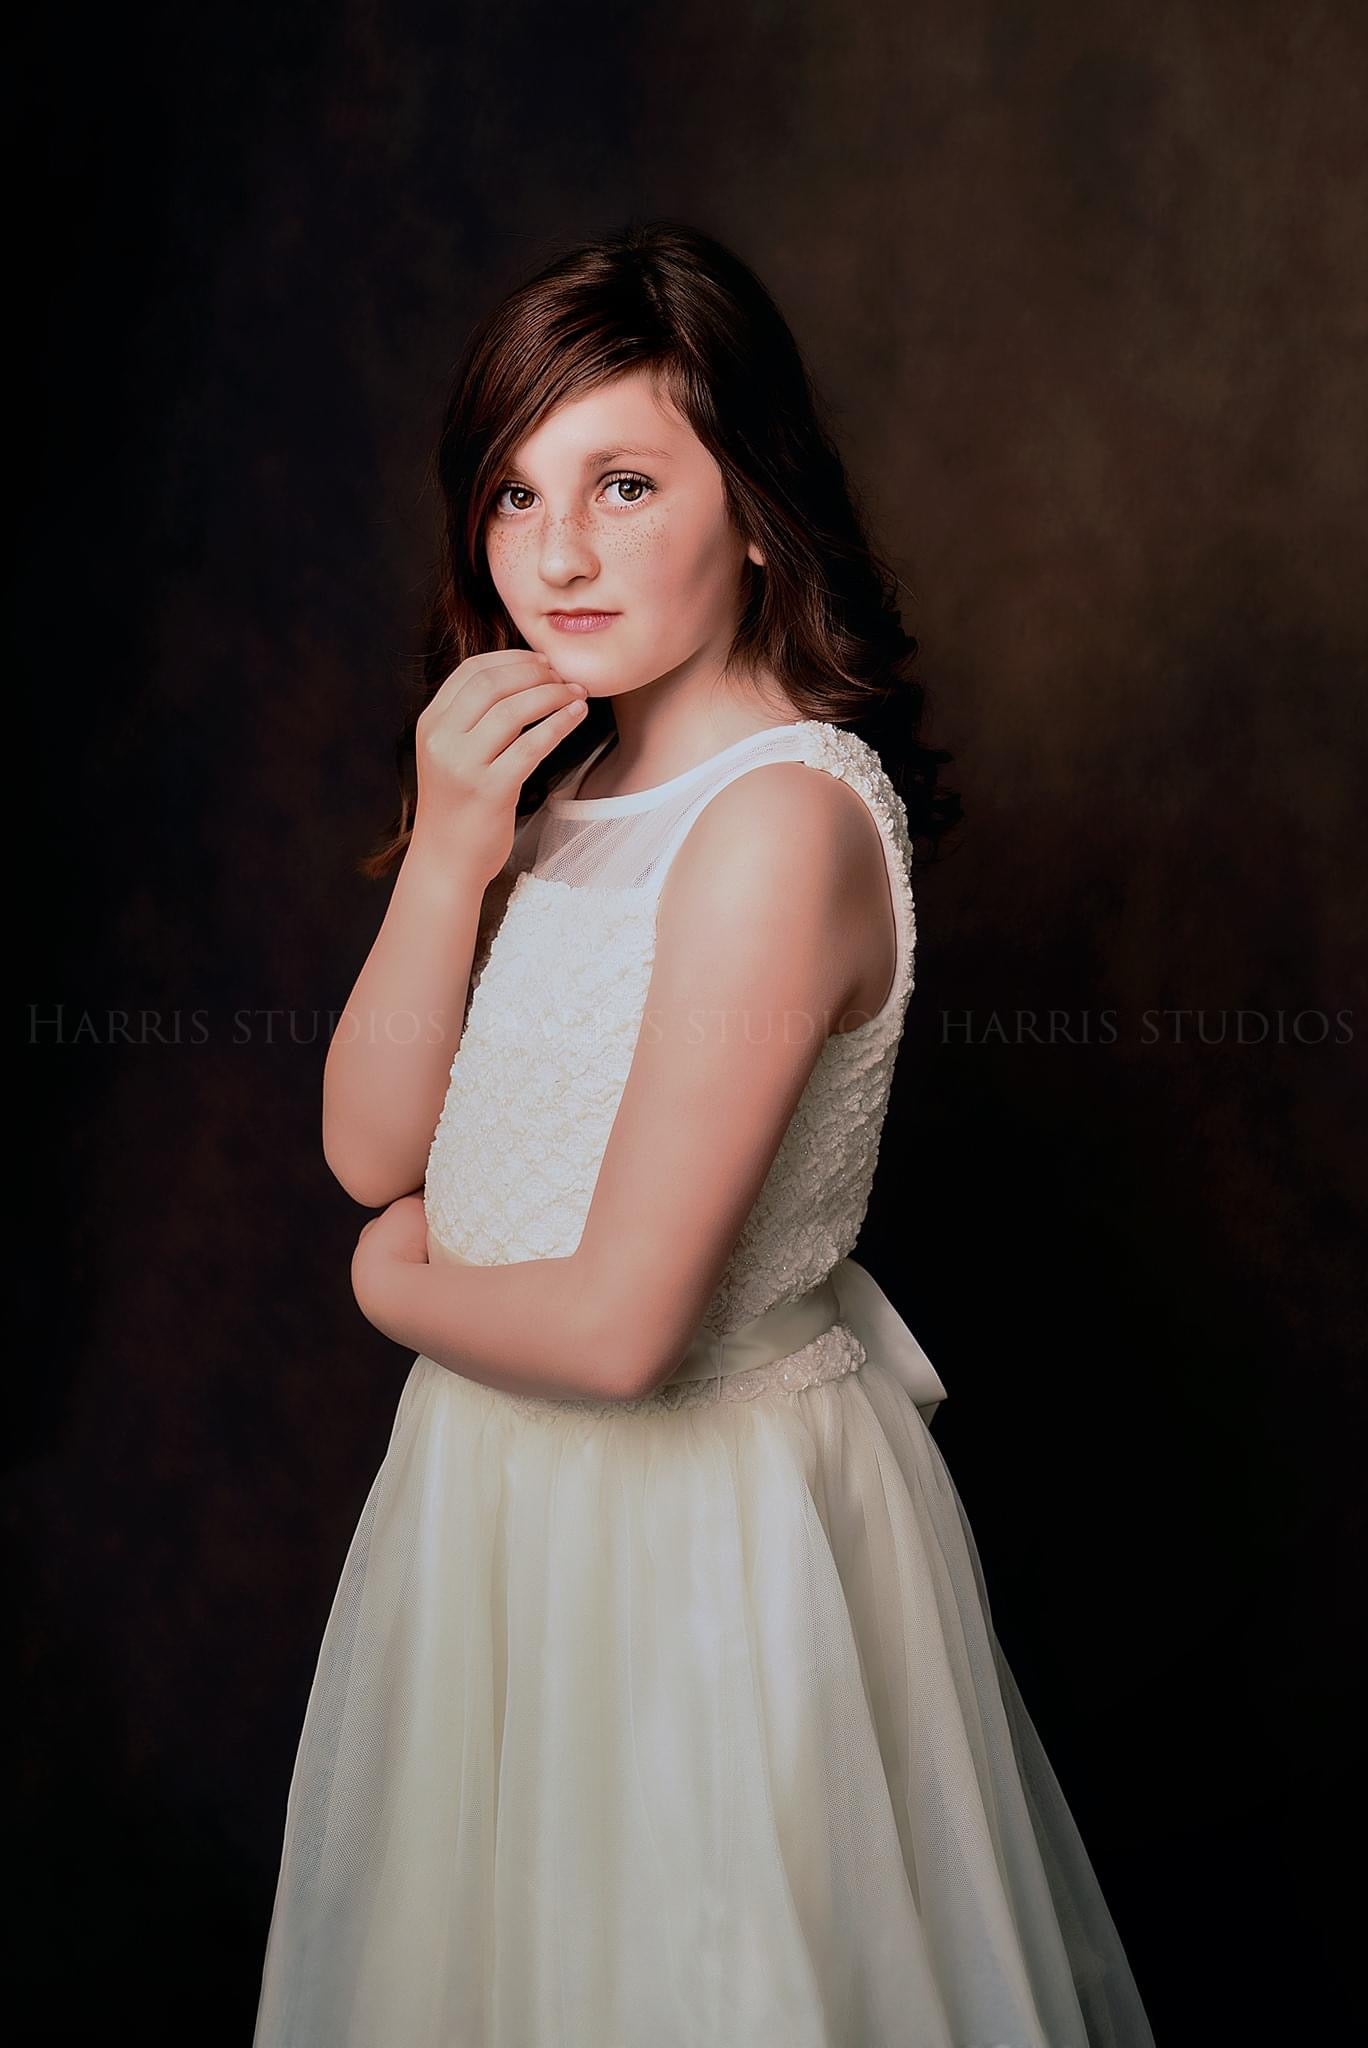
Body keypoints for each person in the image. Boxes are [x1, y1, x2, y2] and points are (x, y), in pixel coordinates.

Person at [253, 219, 1156, 2047]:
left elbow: (615, 1331)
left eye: (624, 483)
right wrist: (450, 848)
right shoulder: (562, 785)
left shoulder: (777, 827)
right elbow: (368, 1148)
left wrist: (379, 1287)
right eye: (515, 496)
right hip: (495, 1504)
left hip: (692, 1538)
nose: (556, 555)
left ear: (754, 508)